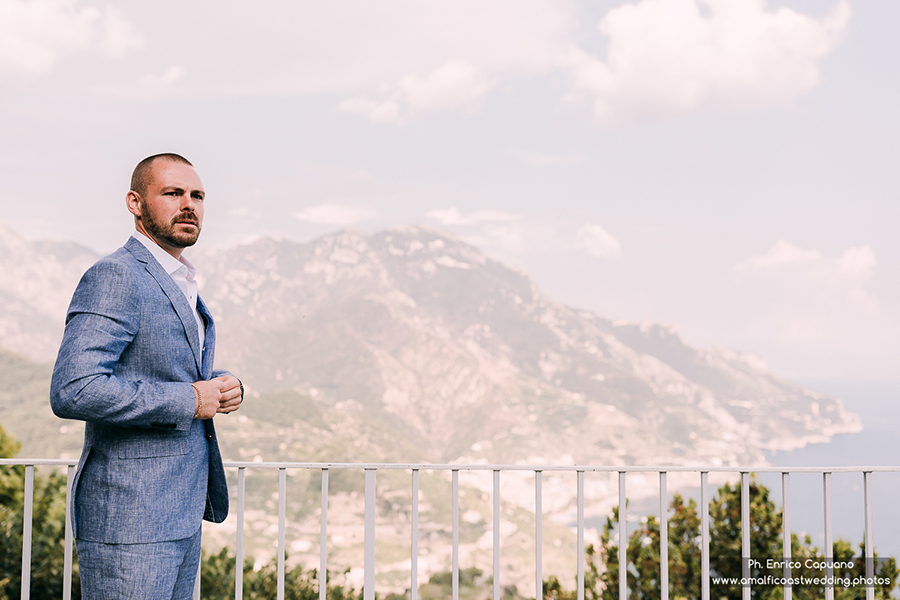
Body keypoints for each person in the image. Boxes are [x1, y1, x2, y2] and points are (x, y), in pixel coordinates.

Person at [50, 153, 243, 599]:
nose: (188, 204)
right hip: (130, 521)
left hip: (178, 512)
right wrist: (189, 400)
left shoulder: (178, 278)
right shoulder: (116, 275)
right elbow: (73, 388)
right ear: (135, 203)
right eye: (173, 193)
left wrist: (219, 385)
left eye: (196, 195)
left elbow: (158, 367)